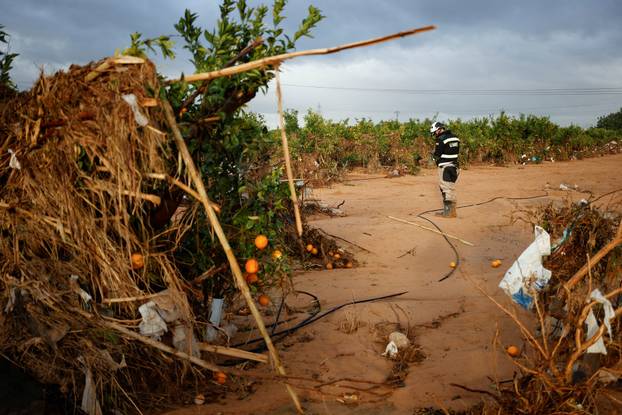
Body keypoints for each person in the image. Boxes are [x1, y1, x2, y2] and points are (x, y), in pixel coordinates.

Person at [430, 121, 460, 218]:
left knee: (445, 188)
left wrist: (432, 157)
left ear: (439, 130)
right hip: (455, 167)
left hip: (445, 167)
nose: (435, 135)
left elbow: (437, 154)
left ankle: (448, 213)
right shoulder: (455, 137)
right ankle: (452, 212)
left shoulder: (441, 139)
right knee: (451, 188)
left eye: (435, 133)